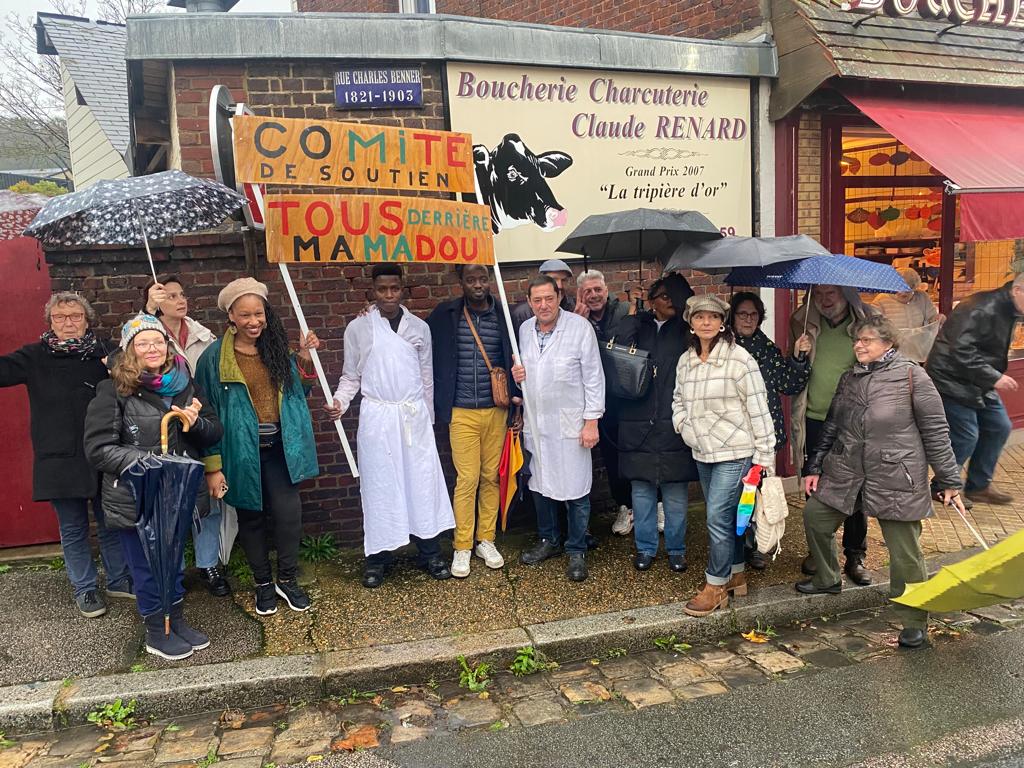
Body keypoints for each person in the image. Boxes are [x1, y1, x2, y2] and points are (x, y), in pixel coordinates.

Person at [801, 314, 962, 650]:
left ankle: (914, 618)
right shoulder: (850, 378)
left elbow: (935, 430)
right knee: (816, 516)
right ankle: (828, 578)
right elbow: (832, 424)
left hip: (895, 472)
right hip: (848, 470)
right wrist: (814, 466)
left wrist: (949, 479)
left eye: (868, 340)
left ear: (888, 343)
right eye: (857, 340)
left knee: (905, 552)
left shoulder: (912, 376)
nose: (859, 345)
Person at [84, 313, 222, 660]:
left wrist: (194, 425)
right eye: (142, 342)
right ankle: (155, 631)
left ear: (167, 344)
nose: (152, 348)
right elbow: (98, 448)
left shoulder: (184, 383)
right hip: (137, 494)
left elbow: (213, 431)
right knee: (146, 565)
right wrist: (148, 464)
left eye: (157, 341)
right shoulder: (113, 389)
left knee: (173, 561)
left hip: (176, 494)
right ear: (129, 349)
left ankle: (174, 620)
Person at [0, 292, 131, 618]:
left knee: (110, 522)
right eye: (61, 317)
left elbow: (137, 378)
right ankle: (85, 589)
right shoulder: (34, 356)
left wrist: (116, 366)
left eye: (75, 316)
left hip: (104, 451)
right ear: (50, 322)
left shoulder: (105, 352)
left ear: (87, 320)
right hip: (59, 456)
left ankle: (118, 578)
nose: (68, 323)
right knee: (73, 527)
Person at [195, 278, 321, 616]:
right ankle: (263, 584)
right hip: (240, 450)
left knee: (288, 515)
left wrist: (305, 359)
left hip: (280, 447)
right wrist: (213, 465)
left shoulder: (276, 348)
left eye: (259, 314)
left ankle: (288, 579)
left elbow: (300, 395)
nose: (254, 322)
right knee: (250, 518)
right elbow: (205, 414)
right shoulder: (212, 359)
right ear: (231, 317)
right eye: (246, 315)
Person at [327, 264, 455, 588]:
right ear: (373, 290)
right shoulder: (358, 329)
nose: (388, 295)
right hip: (378, 418)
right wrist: (340, 402)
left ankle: (430, 551)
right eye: (382, 289)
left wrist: (428, 418)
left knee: (422, 484)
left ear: (402, 289)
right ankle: (378, 557)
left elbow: (426, 377)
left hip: (413, 418)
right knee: (380, 487)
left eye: (394, 289)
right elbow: (350, 376)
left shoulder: (418, 329)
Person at [672, 294, 776, 617]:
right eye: (700, 317)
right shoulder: (685, 360)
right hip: (703, 451)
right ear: (690, 322)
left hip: (736, 451)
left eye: (713, 318)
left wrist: (764, 458)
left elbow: (759, 409)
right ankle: (737, 572)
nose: (706, 322)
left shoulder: (740, 360)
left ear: (722, 323)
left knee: (716, 516)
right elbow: (677, 401)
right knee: (727, 517)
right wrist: (684, 427)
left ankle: (716, 585)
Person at [511, 274, 604, 582]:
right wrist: (517, 374)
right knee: (541, 485)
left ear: (559, 297)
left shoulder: (579, 328)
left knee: (576, 489)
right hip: (538, 423)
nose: (543, 305)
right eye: (537, 300)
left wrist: (591, 421)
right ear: (529, 302)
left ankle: (576, 547)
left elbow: (594, 377)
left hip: (572, 423)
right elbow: (529, 375)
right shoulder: (524, 331)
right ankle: (549, 539)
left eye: (549, 298)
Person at [425, 264, 515, 578]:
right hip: (460, 411)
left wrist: (516, 401)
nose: (477, 284)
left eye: (482, 278)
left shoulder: (505, 315)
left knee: (491, 477)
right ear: (461, 282)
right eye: (471, 279)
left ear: (489, 280)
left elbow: (517, 357)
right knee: (467, 479)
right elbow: (417, 340)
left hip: (497, 409)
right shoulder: (445, 314)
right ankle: (462, 545)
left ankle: (485, 540)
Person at [144, 276, 228, 597]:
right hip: (163, 431)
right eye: (170, 296)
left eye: (182, 294)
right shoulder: (147, 335)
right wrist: (147, 312)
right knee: (169, 511)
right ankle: (173, 572)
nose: (180, 300)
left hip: (199, 423)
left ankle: (209, 563)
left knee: (208, 502)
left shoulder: (203, 337)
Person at [790, 284, 877, 586]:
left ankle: (855, 555)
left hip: (851, 423)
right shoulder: (805, 325)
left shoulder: (863, 328)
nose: (826, 301)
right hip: (814, 418)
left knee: (855, 492)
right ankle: (819, 551)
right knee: (815, 487)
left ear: (846, 296)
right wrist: (798, 354)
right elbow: (796, 374)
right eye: (821, 295)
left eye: (833, 294)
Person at [616, 274, 698, 572]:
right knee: (642, 493)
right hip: (638, 422)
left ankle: (676, 549)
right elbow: (618, 350)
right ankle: (645, 548)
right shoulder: (639, 326)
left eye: (673, 297)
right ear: (652, 300)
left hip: (674, 422)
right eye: (664, 297)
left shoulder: (686, 331)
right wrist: (632, 310)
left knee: (676, 494)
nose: (670, 303)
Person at [925, 275, 1024, 506]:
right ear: (1017, 290)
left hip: (978, 379)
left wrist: (991, 376)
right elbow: (960, 350)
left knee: (1000, 426)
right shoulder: (981, 307)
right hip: (950, 379)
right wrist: (994, 377)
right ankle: (942, 486)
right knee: (966, 435)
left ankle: (979, 486)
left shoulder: (1009, 309)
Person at [731, 291, 811, 569]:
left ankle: (754, 545)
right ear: (733, 316)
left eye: (753, 315)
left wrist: (798, 358)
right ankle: (735, 547)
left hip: (764, 437)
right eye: (742, 314)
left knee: (758, 495)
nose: (748, 319)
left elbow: (789, 384)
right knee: (736, 496)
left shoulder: (767, 349)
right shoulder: (724, 349)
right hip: (735, 436)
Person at [574, 269, 633, 534]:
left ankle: (656, 502)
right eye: (588, 291)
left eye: (598, 289)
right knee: (612, 457)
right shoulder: (576, 319)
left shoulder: (624, 311)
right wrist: (578, 323)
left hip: (630, 396)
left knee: (639, 451)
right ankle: (624, 506)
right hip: (602, 399)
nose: (594, 295)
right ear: (580, 295)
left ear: (607, 290)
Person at [872, 268, 941, 363]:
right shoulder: (881, 300)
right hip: (893, 356)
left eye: (908, 290)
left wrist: (938, 319)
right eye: (898, 288)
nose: (902, 293)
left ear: (915, 288)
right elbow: (873, 327)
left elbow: (932, 319)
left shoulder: (922, 297)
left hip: (919, 353)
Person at [510, 259, 576, 337]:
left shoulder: (573, 306)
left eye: (564, 280)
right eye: (554, 280)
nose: (560, 286)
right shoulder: (521, 314)